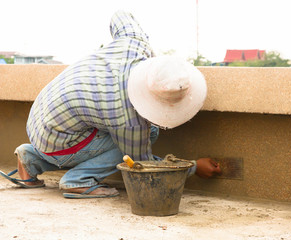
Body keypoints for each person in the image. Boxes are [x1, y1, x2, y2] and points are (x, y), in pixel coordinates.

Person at [0, 10, 221, 198]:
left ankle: (31, 157)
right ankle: (78, 181)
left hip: (40, 124)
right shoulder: (128, 120)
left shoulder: (135, 43)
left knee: (138, 133)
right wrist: (192, 167)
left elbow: (120, 15)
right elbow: (139, 164)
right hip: (59, 142)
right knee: (146, 135)